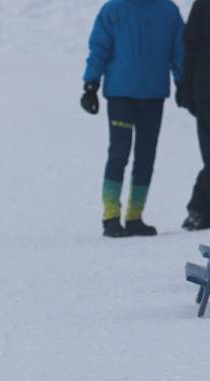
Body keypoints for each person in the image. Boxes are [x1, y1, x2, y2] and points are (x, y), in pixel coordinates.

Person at [81, 0, 184, 237]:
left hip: (154, 95)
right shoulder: (114, 10)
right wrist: (91, 83)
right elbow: (99, 48)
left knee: (146, 156)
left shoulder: (168, 11)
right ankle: (111, 216)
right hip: (121, 95)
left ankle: (135, 216)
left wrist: (183, 81)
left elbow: (179, 49)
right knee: (119, 153)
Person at [176, 0, 210, 230]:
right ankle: (198, 209)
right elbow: (189, 45)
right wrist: (185, 87)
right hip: (205, 91)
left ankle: (199, 208)